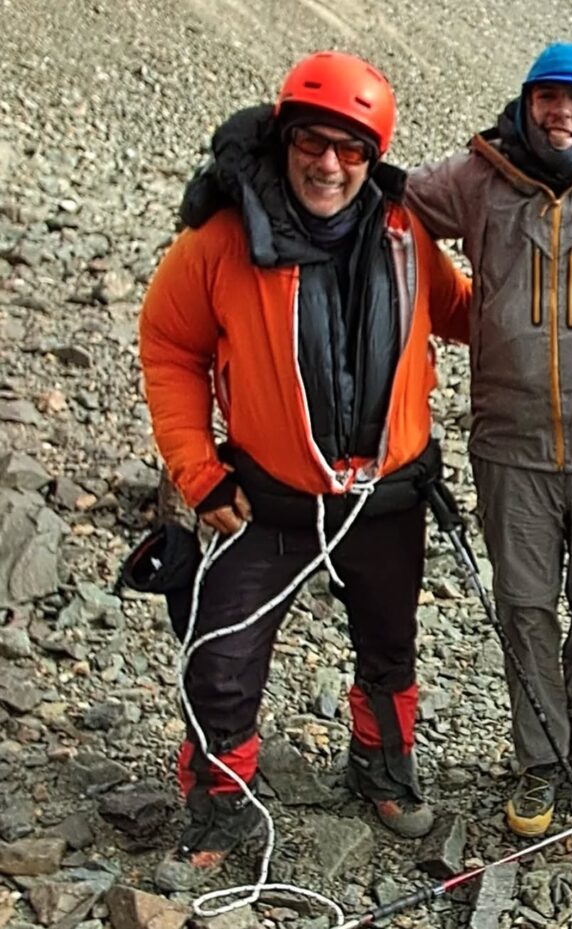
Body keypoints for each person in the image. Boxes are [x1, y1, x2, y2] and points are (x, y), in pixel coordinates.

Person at [137, 51, 471, 887]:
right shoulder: (220, 239)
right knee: (222, 656)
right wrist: (198, 471)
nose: (330, 163)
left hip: (387, 497)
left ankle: (382, 769)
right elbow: (169, 345)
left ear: (374, 153)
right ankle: (220, 798)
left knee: (390, 646)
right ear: (285, 139)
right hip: (263, 498)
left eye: (351, 149)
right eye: (313, 142)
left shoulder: (405, 233)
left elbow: (463, 312)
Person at [405, 43, 572, 838]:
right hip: (510, 441)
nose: (562, 113)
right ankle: (540, 753)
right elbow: (392, 203)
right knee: (524, 605)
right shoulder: (481, 178)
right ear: (527, 103)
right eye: (548, 96)